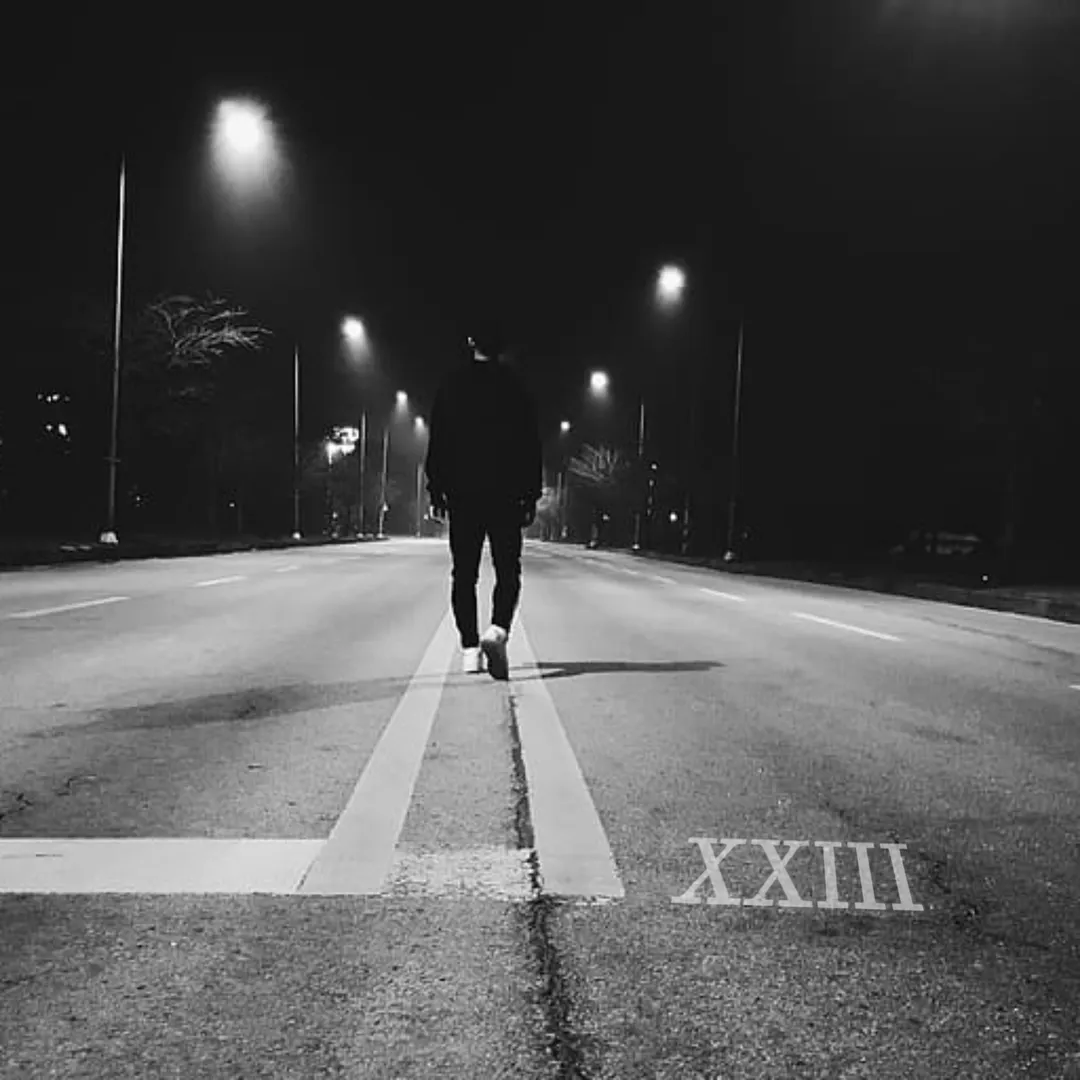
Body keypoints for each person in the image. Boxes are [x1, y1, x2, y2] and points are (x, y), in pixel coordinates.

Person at [425, 329, 542, 679]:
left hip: (463, 493)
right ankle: (498, 629)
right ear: (502, 347)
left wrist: (436, 490)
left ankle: (469, 650)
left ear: (470, 344)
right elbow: (531, 445)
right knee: (508, 569)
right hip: (506, 494)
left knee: (464, 574)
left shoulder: (451, 386)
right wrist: (530, 494)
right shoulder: (517, 388)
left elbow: (439, 441)